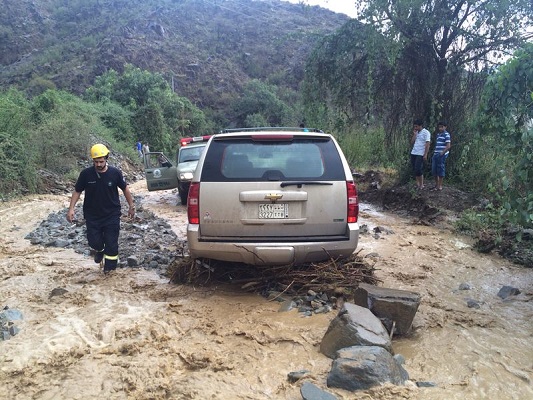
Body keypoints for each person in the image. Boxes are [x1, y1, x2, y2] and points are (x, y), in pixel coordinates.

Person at [66, 144, 135, 274]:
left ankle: (109, 272)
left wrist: (131, 206)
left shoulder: (115, 173)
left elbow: (125, 189)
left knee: (112, 244)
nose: (98, 164)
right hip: (92, 215)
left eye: (101, 161)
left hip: (112, 215)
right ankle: (99, 250)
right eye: (96, 161)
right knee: (94, 241)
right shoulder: (86, 174)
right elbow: (77, 191)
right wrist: (71, 209)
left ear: (106, 159)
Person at [410, 119, 431, 190]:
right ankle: (418, 184)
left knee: (418, 169)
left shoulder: (426, 132)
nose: (415, 128)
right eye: (414, 126)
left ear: (420, 126)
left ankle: (421, 184)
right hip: (414, 152)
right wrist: (414, 135)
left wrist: (425, 154)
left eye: (416, 126)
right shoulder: (416, 133)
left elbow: (428, 144)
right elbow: (412, 142)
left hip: (420, 153)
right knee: (415, 169)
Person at [431, 121, 452, 191]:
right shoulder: (438, 135)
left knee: (440, 169)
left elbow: (448, 146)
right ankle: (436, 185)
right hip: (436, 154)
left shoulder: (447, 134)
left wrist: (442, 153)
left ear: (445, 127)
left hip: (441, 154)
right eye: (439, 127)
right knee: (434, 170)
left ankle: (440, 186)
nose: (440, 128)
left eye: (442, 127)